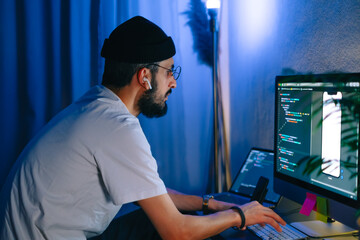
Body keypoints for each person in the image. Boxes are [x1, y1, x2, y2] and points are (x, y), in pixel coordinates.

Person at [0, 16, 286, 240]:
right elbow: (176, 233)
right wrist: (241, 215)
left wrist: (211, 204)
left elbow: (151, 193)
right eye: (170, 71)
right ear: (145, 76)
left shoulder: (95, 106)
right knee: (182, 231)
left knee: (151, 219)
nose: (174, 82)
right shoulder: (116, 127)